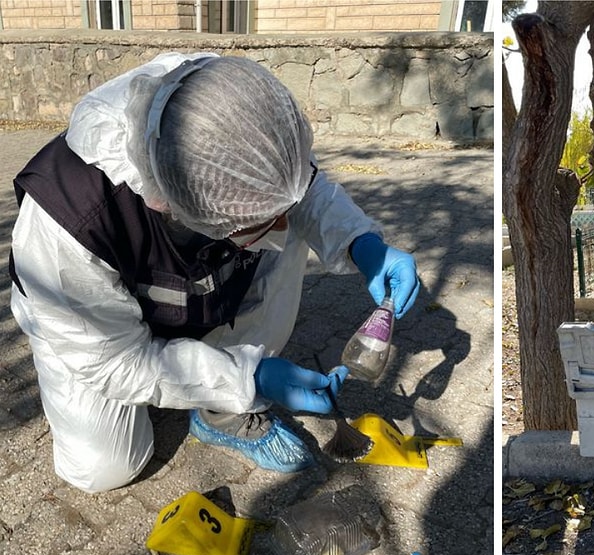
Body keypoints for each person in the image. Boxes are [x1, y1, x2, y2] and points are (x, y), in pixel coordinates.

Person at [8, 53, 420, 492]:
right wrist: (249, 376)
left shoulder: (234, 109)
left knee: (287, 223)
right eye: (259, 221)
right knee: (102, 468)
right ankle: (207, 374)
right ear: (172, 205)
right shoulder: (68, 225)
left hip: (193, 288)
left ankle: (220, 413)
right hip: (93, 328)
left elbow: (301, 189)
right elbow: (117, 361)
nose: (282, 224)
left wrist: (362, 243)